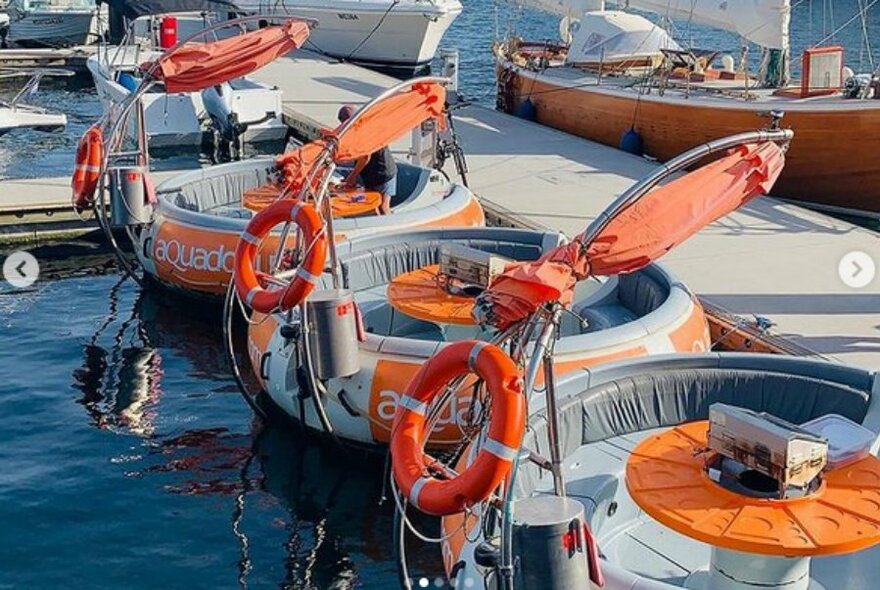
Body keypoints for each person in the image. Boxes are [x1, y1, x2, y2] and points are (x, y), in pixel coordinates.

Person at [337, 104, 397, 215]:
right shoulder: (363, 128)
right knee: (372, 205)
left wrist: (352, 176)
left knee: (383, 206)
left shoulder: (364, 132)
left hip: (384, 173)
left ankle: (389, 226)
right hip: (372, 173)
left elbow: (365, 157)